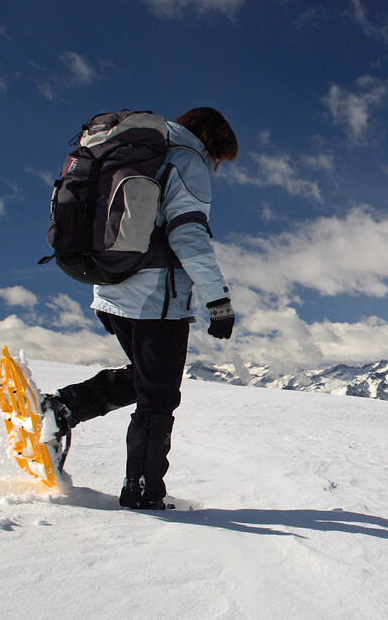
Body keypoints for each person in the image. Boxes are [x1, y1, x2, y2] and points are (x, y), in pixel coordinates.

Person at [43, 107, 238, 510]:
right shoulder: (187, 159)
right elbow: (188, 232)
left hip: (111, 290)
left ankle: (63, 408)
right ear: (212, 143)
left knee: (147, 380)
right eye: (220, 157)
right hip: (155, 302)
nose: (217, 165)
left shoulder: (133, 148)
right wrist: (216, 298)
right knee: (159, 398)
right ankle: (144, 494)